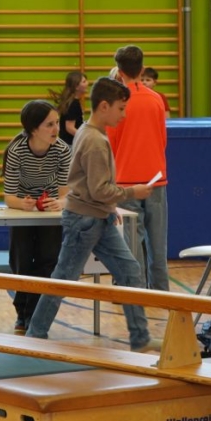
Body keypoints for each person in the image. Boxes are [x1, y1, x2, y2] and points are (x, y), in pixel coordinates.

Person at [25, 77, 157, 352]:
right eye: (121, 108)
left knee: (130, 271)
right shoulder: (94, 140)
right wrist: (132, 193)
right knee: (63, 280)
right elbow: (99, 190)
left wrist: (109, 208)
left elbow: (95, 188)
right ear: (104, 106)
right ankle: (35, 335)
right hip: (85, 221)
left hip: (97, 217)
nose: (124, 115)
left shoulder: (88, 130)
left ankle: (141, 338)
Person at [0, 100, 72, 333]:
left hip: (49, 213)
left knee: (48, 260)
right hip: (22, 212)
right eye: (49, 124)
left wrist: (59, 203)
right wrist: (22, 204)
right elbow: (9, 197)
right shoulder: (17, 150)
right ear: (33, 129)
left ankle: (34, 315)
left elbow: (66, 194)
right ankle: (23, 312)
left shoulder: (62, 150)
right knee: (21, 261)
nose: (56, 129)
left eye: (57, 123)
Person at [110, 45, 170, 291]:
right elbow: (163, 138)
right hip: (156, 178)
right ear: (142, 69)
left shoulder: (116, 103)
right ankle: (161, 292)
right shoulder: (157, 99)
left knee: (131, 246)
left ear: (119, 72)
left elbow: (111, 144)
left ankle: (135, 292)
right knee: (158, 244)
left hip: (126, 180)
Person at [49, 71, 87, 146]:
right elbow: (69, 128)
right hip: (69, 144)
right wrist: (84, 137)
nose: (87, 83)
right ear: (76, 87)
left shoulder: (74, 101)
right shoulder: (73, 104)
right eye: (84, 82)